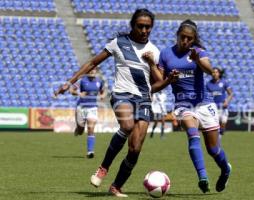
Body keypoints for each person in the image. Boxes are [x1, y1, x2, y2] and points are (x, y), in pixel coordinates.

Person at [54, 8, 178, 197]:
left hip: (144, 99)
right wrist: (70, 82)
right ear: (133, 25)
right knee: (127, 126)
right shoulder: (118, 43)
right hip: (122, 95)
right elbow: (92, 63)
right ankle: (103, 167)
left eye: (148, 27)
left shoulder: (154, 51)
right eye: (140, 26)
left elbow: (158, 84)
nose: (144, 30)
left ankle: (116, 186)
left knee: (135, 149)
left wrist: (162, 73)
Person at [146, 19, 231, 193]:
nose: (185, 41)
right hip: (183, 104)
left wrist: (197, 60)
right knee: (192, 134)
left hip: (204, 103)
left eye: (189, 38)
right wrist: (161, 72)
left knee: (213, 150)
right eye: (182, 37)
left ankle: (225, 169)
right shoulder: (165, 54)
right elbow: (157, 83)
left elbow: (209, 70)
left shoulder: (198, 52)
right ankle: (203, 177)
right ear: (177, 35)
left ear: (193, 40)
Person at [69, 68, 104, 158]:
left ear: (96, 71)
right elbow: (71, 90)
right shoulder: (82, 80)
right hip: (81, 107)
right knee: (81, 130)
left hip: (92, 108)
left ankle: (90, 152)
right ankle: (78, 129)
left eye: (94, 70)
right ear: (88, 72)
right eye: (90, 70)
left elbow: (102, 92)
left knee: (90, 129)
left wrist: (102, 96)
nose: (92, 71)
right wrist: (78, 94)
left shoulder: (99, 81)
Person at [207, 68, 233, 136]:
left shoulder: (224, 82)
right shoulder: (208, 84)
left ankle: (220, 136)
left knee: (223, 124)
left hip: (223, 107)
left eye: (216, 72)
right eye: (213, 72)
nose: (215, 74)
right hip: (213, 108)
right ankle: (217, 142)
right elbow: (206, 96)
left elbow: (231, 93)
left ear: (219, 73)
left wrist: (227, 102)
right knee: (215, 126)